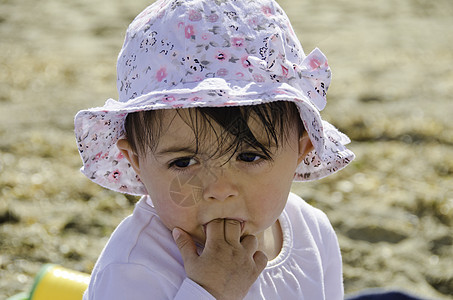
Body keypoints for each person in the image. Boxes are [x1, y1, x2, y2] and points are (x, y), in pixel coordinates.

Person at [74, 0, 355, 299]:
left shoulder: (313, 232)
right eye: (184, 162)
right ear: (137, 161)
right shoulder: (134, 268)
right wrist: (209, 292)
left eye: (249, 156)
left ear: (301, 149)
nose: (219, 190)